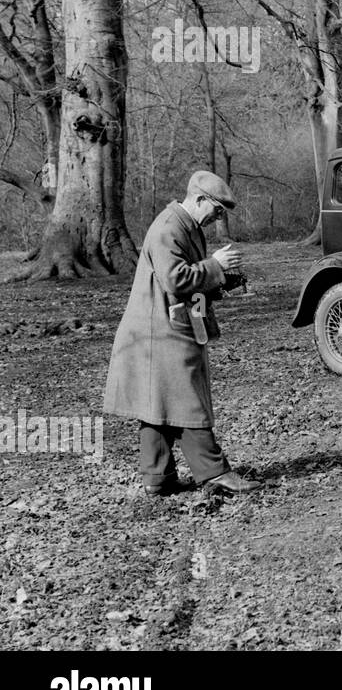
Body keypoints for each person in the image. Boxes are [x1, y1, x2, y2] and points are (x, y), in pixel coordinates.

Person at [103, 171, 261, 496]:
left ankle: (157, 478)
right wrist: (215, 266)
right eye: (217, 209)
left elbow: (189, 278)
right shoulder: (169, 227)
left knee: (156, 403)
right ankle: (215, 473)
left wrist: (223, 280)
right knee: (187, 398)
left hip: (165, 326)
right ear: (200, 199)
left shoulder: (188, 226)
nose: (219, 217)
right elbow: (175, 279)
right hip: (158, 332)